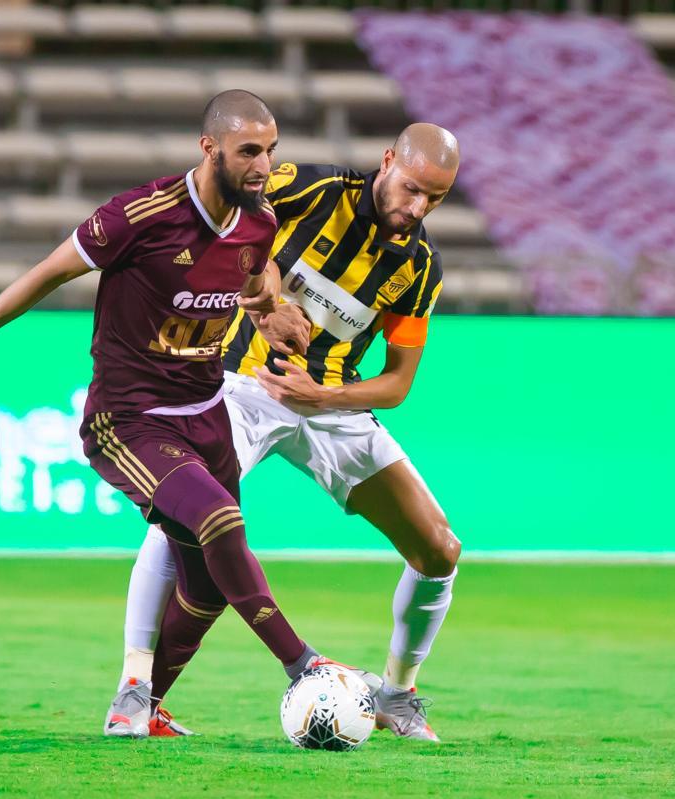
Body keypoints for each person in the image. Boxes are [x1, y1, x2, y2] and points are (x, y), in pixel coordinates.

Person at [0, 90, 329, 739]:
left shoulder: (259, 220)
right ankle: (303, 663)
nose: (263, 165)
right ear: (209, 148)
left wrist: (268, 313)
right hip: (130, 419)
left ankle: (139, 703)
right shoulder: (140, 215)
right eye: (250, 151)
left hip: (207, 410)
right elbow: (46, 274)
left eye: (271, 151)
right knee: (219, 519)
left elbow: (253, 280)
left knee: (207, 587)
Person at [124, 123, 462, 741]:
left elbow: (396, 383)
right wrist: (271, 302)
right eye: (412, 189)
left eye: (434, 199)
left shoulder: (419, 268)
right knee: (182, 517)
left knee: (439, 549)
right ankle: (137, 691)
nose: (417, 208)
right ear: (388, 160)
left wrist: (325, 396)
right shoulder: (313, 190)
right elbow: (242, 238)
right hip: (242, 384)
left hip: (330, 403)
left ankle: (396, 694)